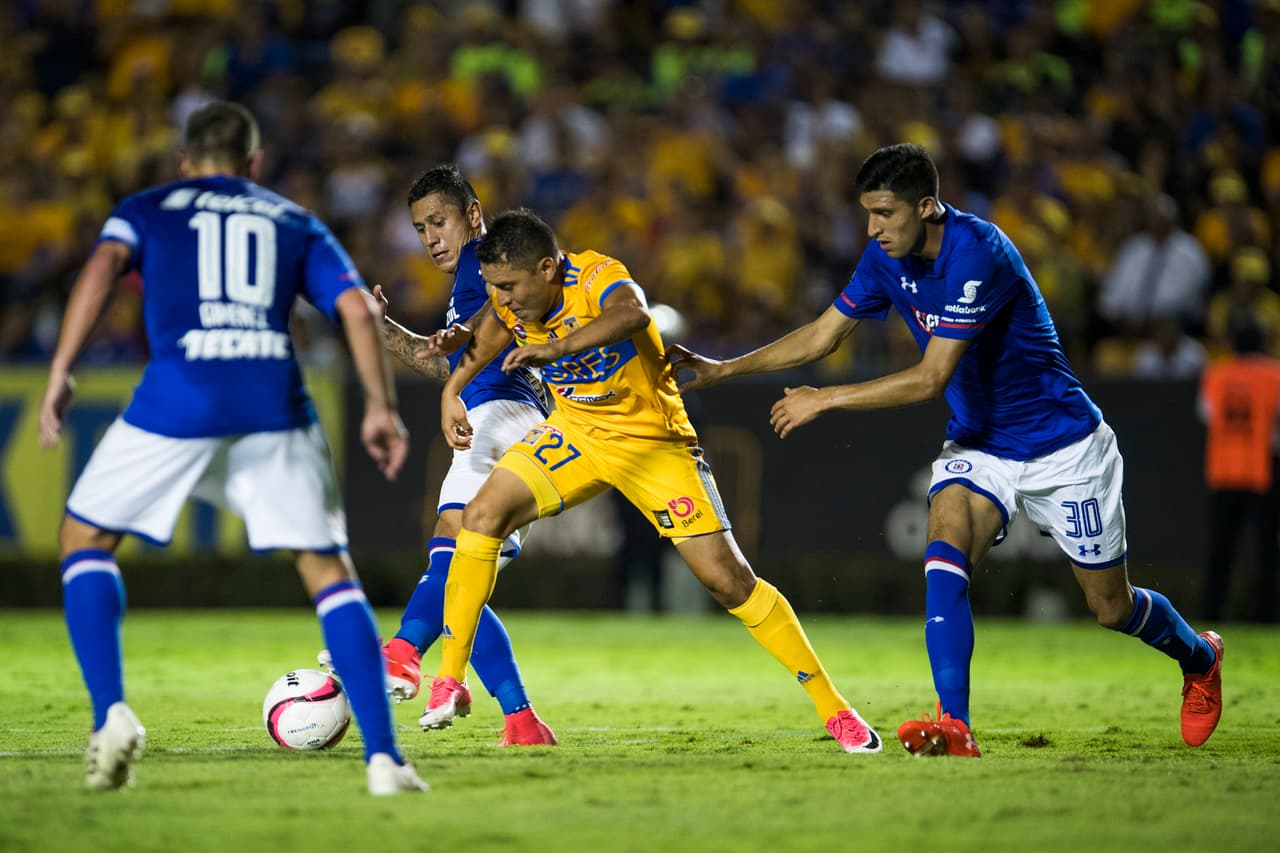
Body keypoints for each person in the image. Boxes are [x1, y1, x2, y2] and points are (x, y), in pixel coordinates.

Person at [667, 143, 1224, 757]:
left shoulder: (977, 252)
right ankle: (955, 726)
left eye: (885, 213)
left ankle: (1199, 658)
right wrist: (725, 368)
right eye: (867, 214)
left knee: (1111, 608)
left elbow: (931, 378)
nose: (872, 229)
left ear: (926, 206)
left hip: (1064, 447)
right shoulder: (884, 258)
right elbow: (824, 334)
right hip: (981, 445)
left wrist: (826, 399)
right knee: (944, 552)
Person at [37, 101, 428, 795]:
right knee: (328, 572)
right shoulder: (291, 218)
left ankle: (111, 715)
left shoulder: (147, 207)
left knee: (84, 538)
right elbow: (356, 307)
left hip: (176, 398)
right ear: (254, 162)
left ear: (184, 161)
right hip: (271, 402)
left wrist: (63, 367)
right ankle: (384, 760)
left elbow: (101, 266)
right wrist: (380, 406)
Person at [422, 207, 881, 754]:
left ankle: (836, 709)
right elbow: (493, 331)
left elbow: (633, 314)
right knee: (481, 515)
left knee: (728, 581)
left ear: (547, 267)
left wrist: (559, 347)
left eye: (510, 286)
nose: (503, 297)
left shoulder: (597, 276)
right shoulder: (509, 298)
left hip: (653, 445)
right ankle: (450, 680)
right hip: (576, 434)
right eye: (494, 286)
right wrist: (454, 388)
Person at [330, 164, 556, 745]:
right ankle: (521, 720)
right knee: (460, 574)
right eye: (420, 228)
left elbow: (497, 327)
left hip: (501, 415)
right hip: (510, 419)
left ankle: (401, 654)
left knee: (453, 548)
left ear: (472, 215)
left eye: (439, 221)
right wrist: (385, 331)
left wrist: (458, 378)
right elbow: (452, 363)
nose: (430, 238)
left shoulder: (488, 262)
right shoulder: (469, 282)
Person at [1198, 317, 1280, 622]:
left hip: (1224, 470)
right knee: (1267, 548)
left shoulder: (1216, 373)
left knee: (1221, 547)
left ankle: (1212, 612)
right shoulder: (1274, 375)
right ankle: (1267, 614)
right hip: (1261, 470)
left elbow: (1206, 414)